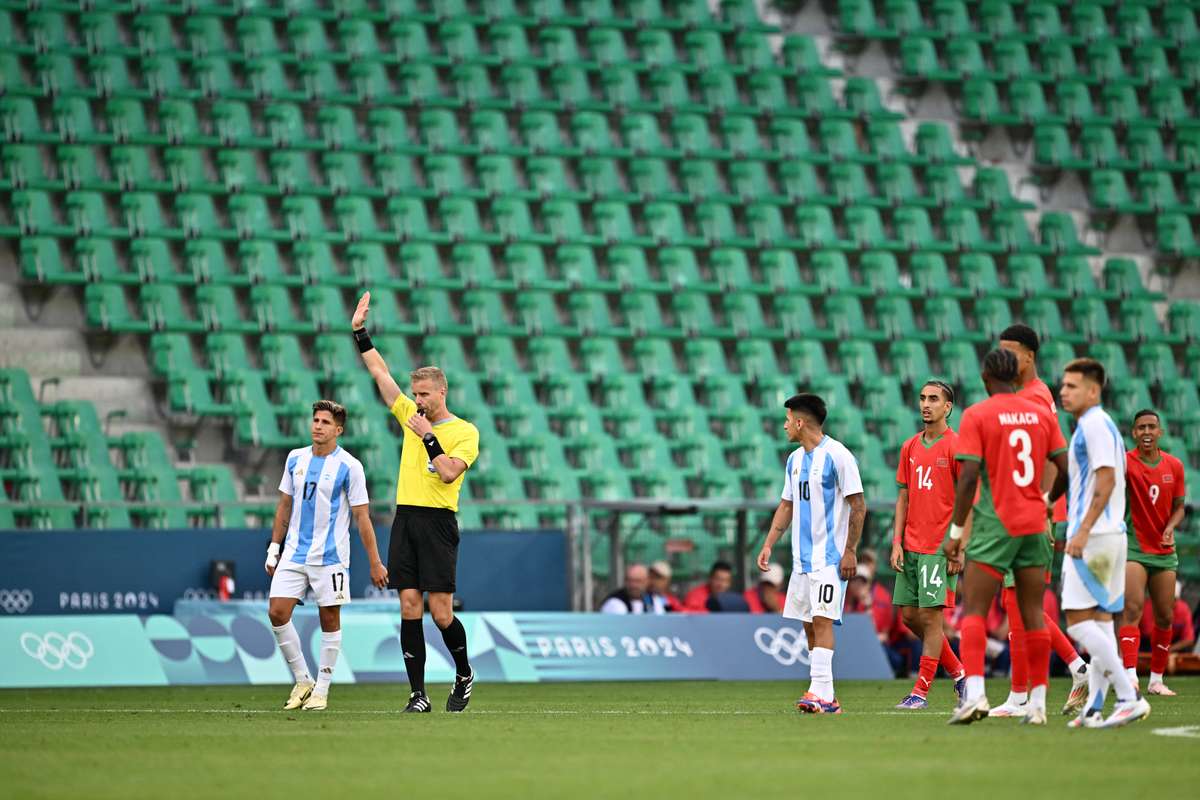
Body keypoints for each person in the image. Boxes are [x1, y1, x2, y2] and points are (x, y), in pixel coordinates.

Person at [353, 292, 480, 714]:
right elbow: (380, 374)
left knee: (440, 610)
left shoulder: (464, 431)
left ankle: (463, 672)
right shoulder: (409, 413)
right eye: (415, 393)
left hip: (439, 522)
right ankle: (418, 694)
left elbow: (447, 472)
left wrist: (427, 435)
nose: (418, 400)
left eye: (425, 393)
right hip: (406, 518)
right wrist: (360, 333)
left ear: (442, 391)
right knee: (409, 604)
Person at [944, 348, 1069, 726]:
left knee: (976, 612)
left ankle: (977, 696)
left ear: (985, 379)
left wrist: (955, 531)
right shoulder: (1040, 414)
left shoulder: (977, 415)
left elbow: (967, 478)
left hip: (995, 525)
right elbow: (1064, 467)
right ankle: (1039, 704)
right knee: (1034, 613)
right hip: (1034, 524)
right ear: (1017, 377)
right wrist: (1047, 502)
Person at [265, 400, 389, 711]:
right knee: (277, 612)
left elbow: (362, 517)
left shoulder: (350, 466)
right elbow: (284, 506)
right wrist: (274, 547)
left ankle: (321, 690)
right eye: (316, 420)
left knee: (329, 619)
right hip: (294, 552)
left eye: (325, 422)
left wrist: (375, 561)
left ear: (338, 429)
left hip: (330, 556)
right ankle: (302, 679)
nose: (318, 426)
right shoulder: (295, 459)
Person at [994, 325, 1091, 718]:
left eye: (1010, 352)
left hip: (1034, 513)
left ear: (1029, 356)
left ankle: (1035, 688)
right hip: (1020, 510)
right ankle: (1066, 672)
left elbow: (1053, 456)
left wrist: (1047, 507)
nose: (1003, 359)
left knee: (1023, 601)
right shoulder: (1026, 396)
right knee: (1014, 600)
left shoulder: (1033, 397)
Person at [758, 393, 866, 714]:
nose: (785, 426)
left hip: (830, 559)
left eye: (788, 419)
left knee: (821, 621)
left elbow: (858, 506)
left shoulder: (838, 456)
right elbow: (787, 504)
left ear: (801, 422)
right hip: (801, 561)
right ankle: (827, 695)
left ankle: (817, 690)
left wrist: (850, 551)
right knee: (808, 624)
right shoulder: (794, 460)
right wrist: (768, 543)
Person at [1058, 358, 1151, 728]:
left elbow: (1107, 480)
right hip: (1112, 536)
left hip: (1093, 538)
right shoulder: (1103, 424)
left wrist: (1081, 532)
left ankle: (1129, 696)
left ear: (1093, 391)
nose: (1064, 391)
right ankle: (1094, 707)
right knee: (1100, 623)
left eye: (1072, 386)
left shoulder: (1094, 424)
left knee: (1078, 624)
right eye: (1063, 385)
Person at [890, 380, 968, 709]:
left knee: (930, 617)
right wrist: (896, 542)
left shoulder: (957, 446)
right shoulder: (909, 446)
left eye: (934, 399)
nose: (926, 404)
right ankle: (961, 675)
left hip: (939, 544)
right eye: (923, 398)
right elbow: (903, 497)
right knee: (910, 617)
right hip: (911, 544)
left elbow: (969, 498)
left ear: (948, 407)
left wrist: (959, 545)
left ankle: (920, 691)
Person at [1119, 409, 1188, 696]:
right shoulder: (1125, 462)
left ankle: (1156, 679)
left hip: (1163, 550)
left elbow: (1179, 507)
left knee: (1164, 616)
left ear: (1160, 432)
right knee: (1132, 609)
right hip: (1134, 547)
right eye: (1140, 428)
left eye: (1151, 427)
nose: (1146, 432)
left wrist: (1171, 526)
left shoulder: (1175, 466)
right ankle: (1130, 675)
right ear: (1134, 433)